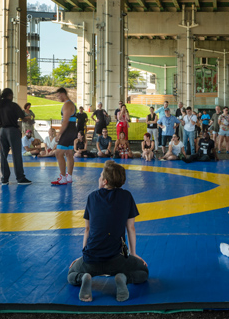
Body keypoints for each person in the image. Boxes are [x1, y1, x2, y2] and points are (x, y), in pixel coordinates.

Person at [67, 160, 149, 302]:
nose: (98, 178)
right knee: (143, 272)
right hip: (117, 260)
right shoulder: (127, 196)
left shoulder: (92, 197)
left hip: (92, 259)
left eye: (100, 176)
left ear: (104, 181)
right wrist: (133, 255)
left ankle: (84, 277)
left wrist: (83, 256)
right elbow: (131, 228)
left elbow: (88, 229)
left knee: (71, 274)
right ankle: (123, 277)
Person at [0, 88, 33, 185]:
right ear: (10, 95)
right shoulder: (13, 105)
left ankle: (4, 178)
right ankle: (20, 178)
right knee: (16, 155)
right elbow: (22, 118)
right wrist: (29, 119)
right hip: (13, 130)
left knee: (3, 155)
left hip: (2, 131)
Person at [52, 87, 78, 186]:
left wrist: (59, 134)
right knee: (68, 153)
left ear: (62, 94)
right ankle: (69, 177)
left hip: (68, 131)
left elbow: (65, 121)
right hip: (72, 130)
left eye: (58, 96)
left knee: (58, 153)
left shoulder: (67, 104)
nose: (58, 98)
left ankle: (63, 178)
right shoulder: (71, 103)